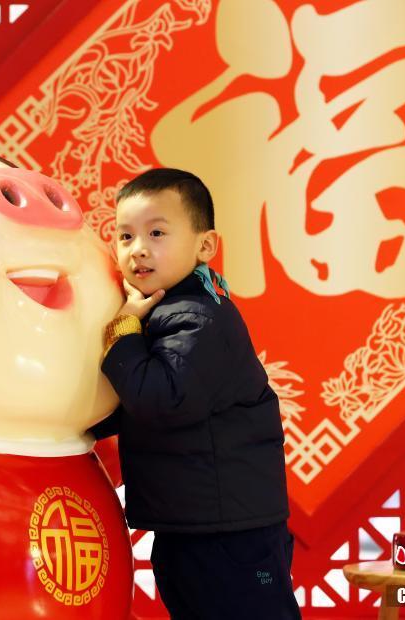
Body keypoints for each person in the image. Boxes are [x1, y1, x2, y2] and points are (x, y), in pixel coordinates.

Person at [91, 168, 301, 619]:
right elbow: (126, 402)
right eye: (125, 236)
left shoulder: (196, 318)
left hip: (229, 534)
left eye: (157, 233)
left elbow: (157, 401)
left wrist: (122, 331)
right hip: (195, 525)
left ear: (205, 246)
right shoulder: (167, 312)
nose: (138, 249)